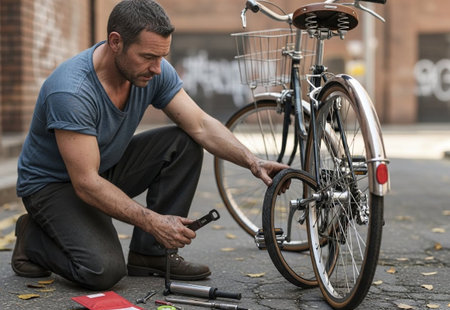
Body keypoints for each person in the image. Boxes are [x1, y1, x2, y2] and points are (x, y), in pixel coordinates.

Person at [11, 0, 288, 290]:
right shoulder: (72, 91)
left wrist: (253, 162)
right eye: (147, 57)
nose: (157, 68)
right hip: (54, 186)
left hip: (100, 167)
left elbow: (201, 125)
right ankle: (32, 239)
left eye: (161, 57)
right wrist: (154, 221)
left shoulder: (152, 70)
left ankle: (151, 255)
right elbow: (86, 183)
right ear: (116, 42)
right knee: (102, 271)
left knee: (183, 142)